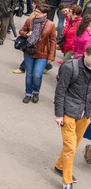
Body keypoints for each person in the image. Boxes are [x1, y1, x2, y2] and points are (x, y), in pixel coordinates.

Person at [53, 47, 91, 189]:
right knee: (70, 147)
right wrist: (58, 114)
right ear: (86, 54)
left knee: (74, 145)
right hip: (68, 112)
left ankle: (59, 165)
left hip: (85, 114)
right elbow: (60, 90)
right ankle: (67, 181)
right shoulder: (70, 67)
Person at [19, 3, 56, 104]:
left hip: (42, 54)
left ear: (44, 14)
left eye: (38, 12)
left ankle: (36, 92)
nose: (35, 13)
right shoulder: (30, 20)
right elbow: (21, 31)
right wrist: (26, 34)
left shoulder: (50, 24)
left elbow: (53, 41)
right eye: (35, 11)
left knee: (37, 75)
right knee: (29, 74)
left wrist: (51, 56)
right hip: (29, 52)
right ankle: (28, 93)